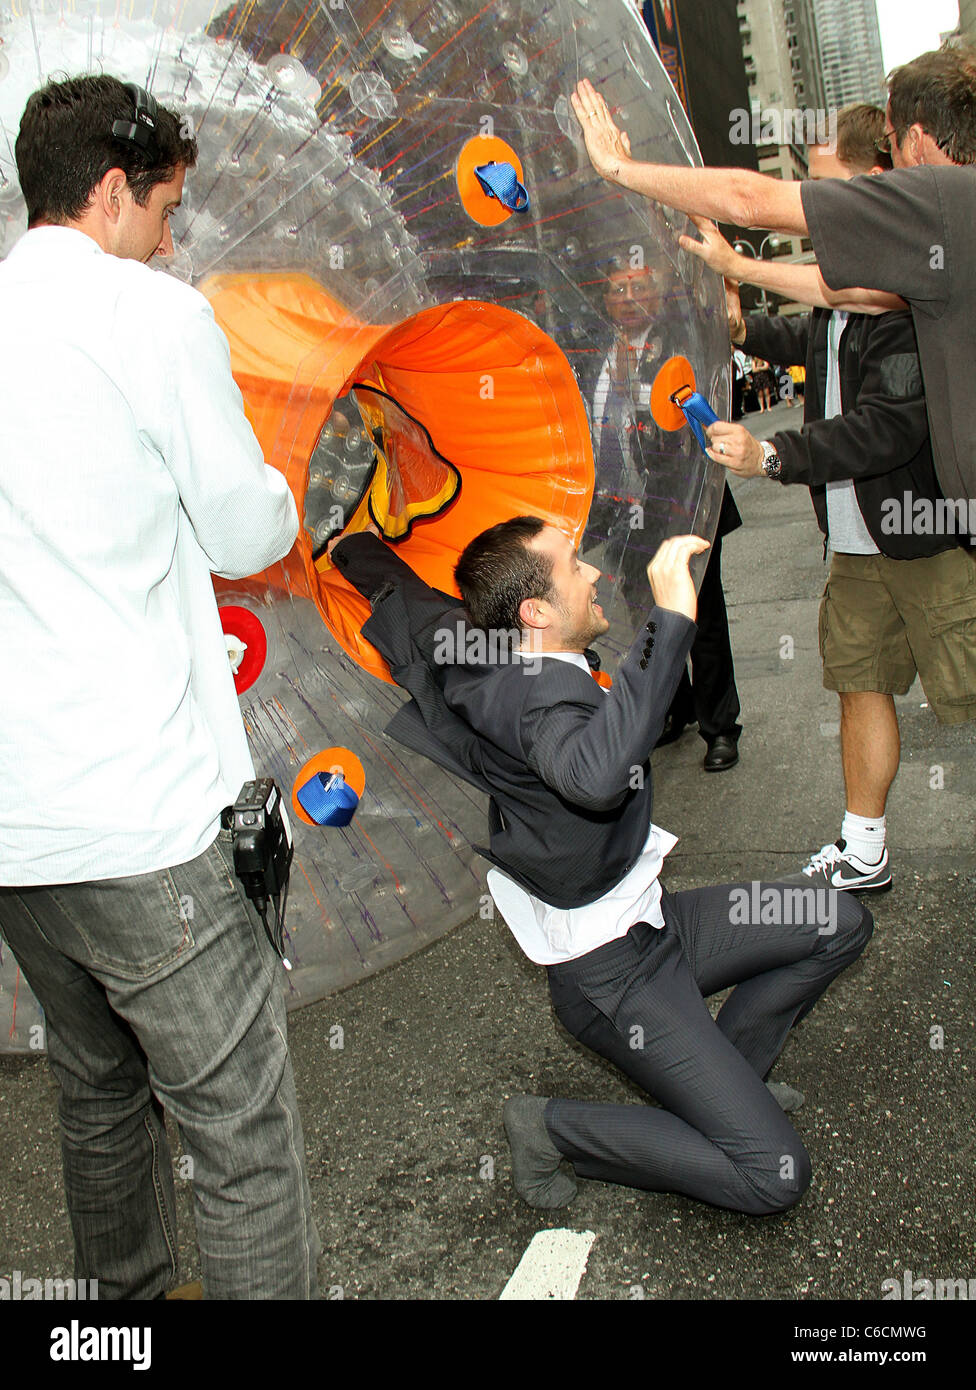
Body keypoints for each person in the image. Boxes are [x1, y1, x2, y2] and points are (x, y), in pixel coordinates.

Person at [0, 75, 320, 1299]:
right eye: (166, 207)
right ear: (111, 189)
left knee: (95, 1091)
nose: (173, 238)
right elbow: (244, 531)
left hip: (22, 826)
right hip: (140, 816)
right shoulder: (150, 316)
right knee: (240, 1131)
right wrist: (281, 483)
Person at [329, 519, 873, 1215]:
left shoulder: (475, 642)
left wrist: (343, 541)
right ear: (536, 612)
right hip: (613, 978)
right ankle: (553, 1129)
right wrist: (671, 618)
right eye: (572, 567)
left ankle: (731, 1078)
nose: (593, 573)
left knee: (840, 920)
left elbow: (407, 599)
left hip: (657, 923)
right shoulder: (539, 701)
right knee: (773, 1176)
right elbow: (592, 776)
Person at [695, 103, 976, 894]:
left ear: (876, 187)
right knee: (861, 683)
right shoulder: (839, 286)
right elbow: (813, 346)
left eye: (827, 192)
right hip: (855, 543)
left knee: (968, 688)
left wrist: (774, 453)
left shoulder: (913, 287)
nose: (814, 212)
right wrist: (741, 324)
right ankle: (864, 847)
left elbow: (886, 428)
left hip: (929, 535)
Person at [570, 43, 976, 509]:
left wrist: (621, 169)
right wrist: (738, 271)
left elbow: (749, 200)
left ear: (918, 142)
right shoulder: (944, 234)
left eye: (892, 139)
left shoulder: (937, 202)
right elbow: (856, 298)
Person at [583, 264, 744, 770]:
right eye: (617, 290)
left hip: (682, 508)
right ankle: (676, 710)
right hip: (624, 516)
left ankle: (720, 727)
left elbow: (696, 426)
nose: (628, 298)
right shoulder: (600, 361)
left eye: (639, 288)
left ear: (657, 295)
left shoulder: (677, 348)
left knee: (703, 618)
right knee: (648, 621)